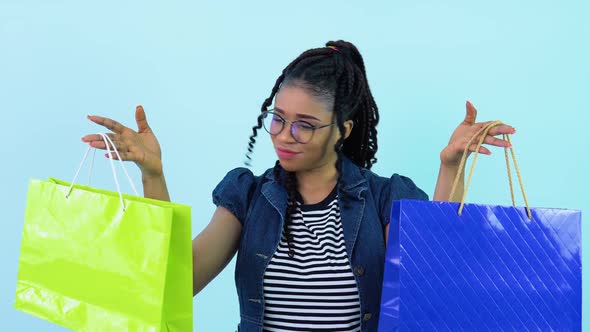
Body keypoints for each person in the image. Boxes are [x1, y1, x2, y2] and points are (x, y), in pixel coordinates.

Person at [81, 40, 515, 332]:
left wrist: (452, 167)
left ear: (342, 130)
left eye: (305, 126)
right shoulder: (247, 196)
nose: (285, 135)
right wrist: (153, 174)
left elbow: (430, 278)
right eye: (278, 118)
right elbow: (178, 282)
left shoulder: (384, 199)